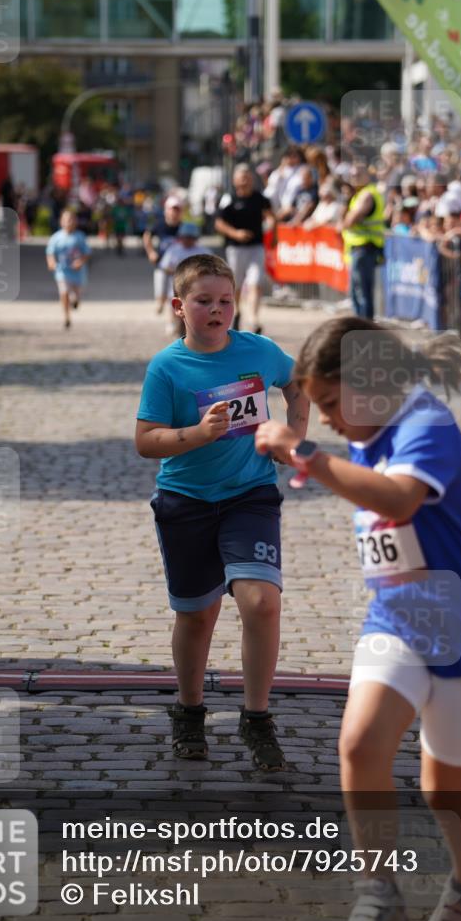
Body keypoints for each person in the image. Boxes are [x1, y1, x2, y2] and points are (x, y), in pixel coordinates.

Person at [255, 315, 461, 921]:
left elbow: (399, 501)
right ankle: (380, 897)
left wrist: (305, 455)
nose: (329, 425)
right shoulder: (368, 430)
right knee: (358, 745)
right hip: (397, 619)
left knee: (444, 788)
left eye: (329, 407)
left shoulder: (427, 424)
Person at [135, 253, 310, 772]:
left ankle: (257, 718)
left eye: (226, 301)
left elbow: (297, 383)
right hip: (185, 501)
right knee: (196, 615)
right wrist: (198, 434)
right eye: (204, 301)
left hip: (250, 494)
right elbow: (146, 442)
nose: (217, 310)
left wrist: (293, 436)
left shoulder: (259, 349)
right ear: (179, 307)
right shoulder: (167, 367)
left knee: (261, 602)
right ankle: (189, 713)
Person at [215, 164, 273, 334]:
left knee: (256, 282)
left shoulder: (260, 198)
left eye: (248, 177)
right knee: (237, 284)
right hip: (235, 248)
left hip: (256, 246)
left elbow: (271, 216)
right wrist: (236, 233)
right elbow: (218, 223)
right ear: (234, 180)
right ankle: (237, 312)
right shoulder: (228, 199)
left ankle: (254, 319)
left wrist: (273, 229)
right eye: (241, 177)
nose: (245, 181)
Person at [341, 163, 386, 321]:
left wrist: (346, 220)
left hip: (365, 249)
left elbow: (350, 220)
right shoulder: (358, 194)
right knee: (357, 292)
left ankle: (365, 327)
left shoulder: (367, 195)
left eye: (358, 174)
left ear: (367, 176)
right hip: (359, 249)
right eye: (352, 175)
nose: (354, 178)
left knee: (362, 293)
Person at [157, 222, 213, 336]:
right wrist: (181, 272)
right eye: (185, 237)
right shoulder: (173, 250)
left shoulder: (203, 251)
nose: (187, 240)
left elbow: (212, 268)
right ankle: (173, 323)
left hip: (197, 287)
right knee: (175, 305)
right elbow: (164, 267)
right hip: (177, 285)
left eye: (190, 237)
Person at [45, 208, 92, 329]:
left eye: (71, 219)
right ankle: (66, 317)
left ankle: (76, 299)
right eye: (66, 220)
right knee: (64, 292)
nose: (69, 222)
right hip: (62, 270)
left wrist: (80, 261)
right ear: (61, 222)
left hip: (77, 272)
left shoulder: (79, 237)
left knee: (76, 294)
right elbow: (50, 252)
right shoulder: (56, 237)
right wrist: (51, 263)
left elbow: (87, 252)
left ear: (75, 222)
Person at [143, 196, 182, 317]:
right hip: (161, 264)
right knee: (161, 293)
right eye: (172, 209)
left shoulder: (184, 227)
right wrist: (150, 252)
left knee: (174, 296)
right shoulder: (159, 225)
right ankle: (160, 302)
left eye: (177, 210)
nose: (174, 212)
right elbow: (147, 235)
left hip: (178, 267)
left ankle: (172, 321)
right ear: (166, 210)